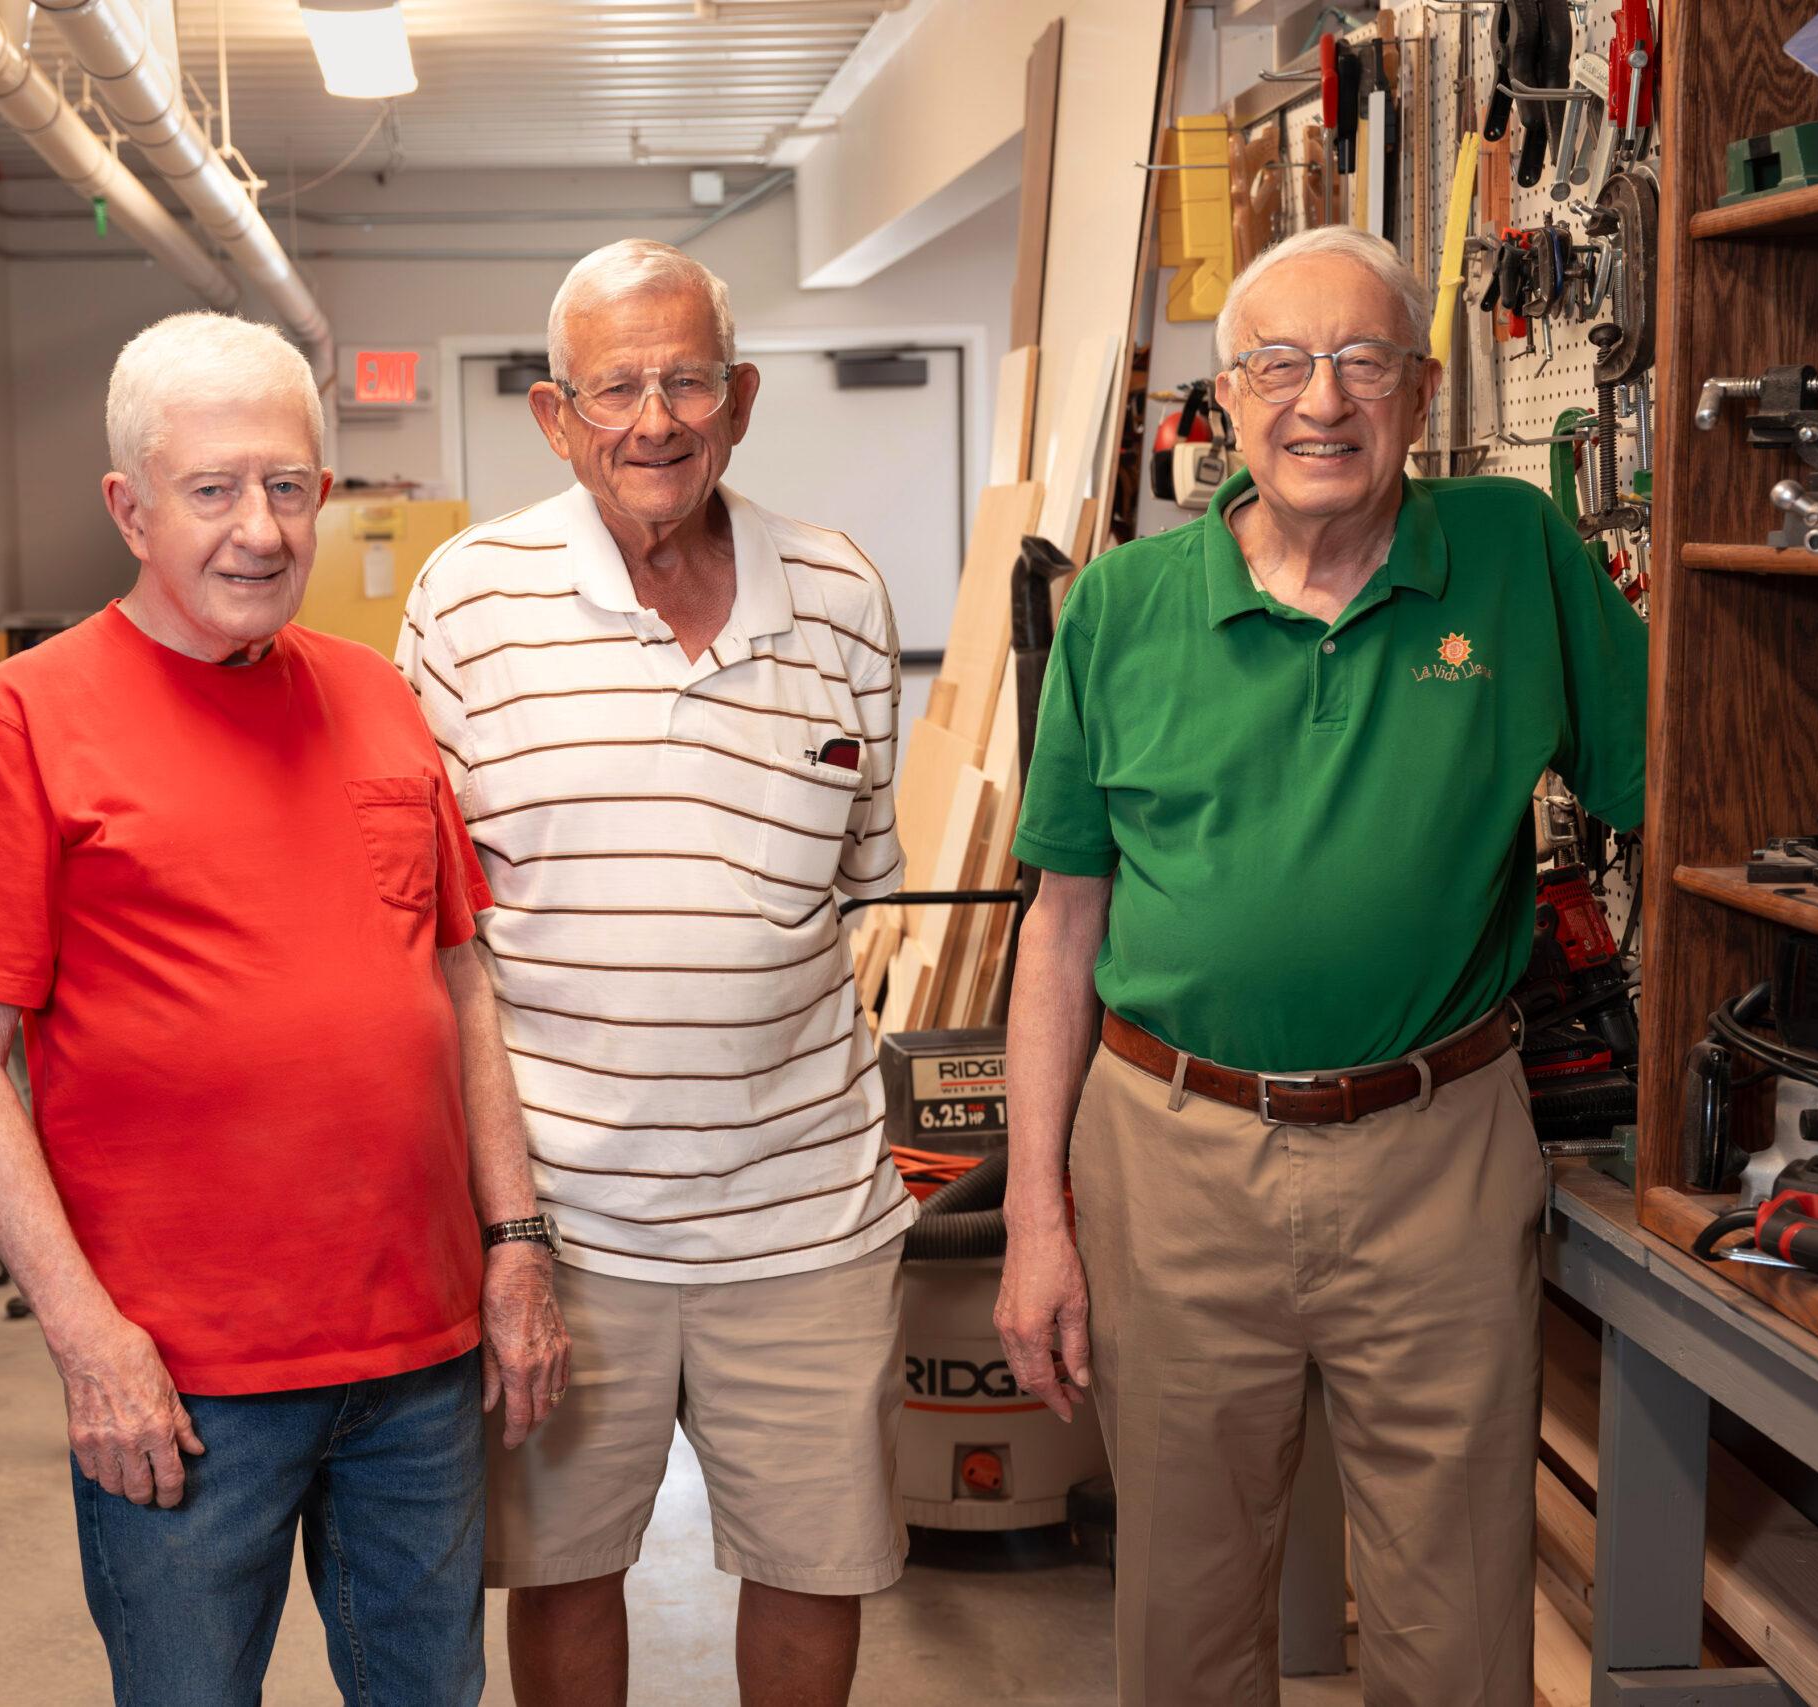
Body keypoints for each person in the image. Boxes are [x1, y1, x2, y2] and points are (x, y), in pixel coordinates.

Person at [994, 224, 1648, 1707]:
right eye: (1280, 364)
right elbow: (1063, 927)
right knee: (1188, 1609)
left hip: (1439, 1149)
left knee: (1459, 1612)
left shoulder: (1513, 557)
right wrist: (1039, 1213)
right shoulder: (1123, 607)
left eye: (1362, 363)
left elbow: (1667, 792)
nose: (1322, 402)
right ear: (1225, 402)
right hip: (1171, 1160)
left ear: (1421, 394)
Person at [0, 311, 569, 1707]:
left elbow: (458, 983)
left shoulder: (379, 700)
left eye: (289, 486)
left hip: (418, 1363)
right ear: (129, 507)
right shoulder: (22, 724)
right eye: (213, 491)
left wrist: (514, 1245)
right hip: (182, 1381)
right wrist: (88, 1341)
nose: (259, 530)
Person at [397, 239, 912, 1707]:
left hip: (806, 1212)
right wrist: (508, 1231)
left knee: (818, 1570)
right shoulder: (467, 600)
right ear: (556, 416)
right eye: (614, 387)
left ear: (741, 398)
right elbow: (442, 928)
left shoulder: (840, 591)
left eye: (687, 380)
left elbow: (858, 885)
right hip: (565, 1222)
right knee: (562, 1573)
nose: (654, 420)